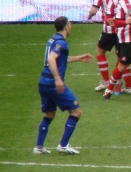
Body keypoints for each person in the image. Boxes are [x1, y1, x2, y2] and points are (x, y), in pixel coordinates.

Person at [33, 16, 92, 155]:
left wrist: (79, 58)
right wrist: (58, 79)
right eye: (70, 24)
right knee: (76, 111)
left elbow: (59, 58)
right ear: (66, 26)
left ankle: (39, 147)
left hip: (43, 82)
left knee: (50, 113)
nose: (71, 26)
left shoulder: (52, 39)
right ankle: (63, 145)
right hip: (53, 83)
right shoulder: (62, 43)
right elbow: (51, 59)